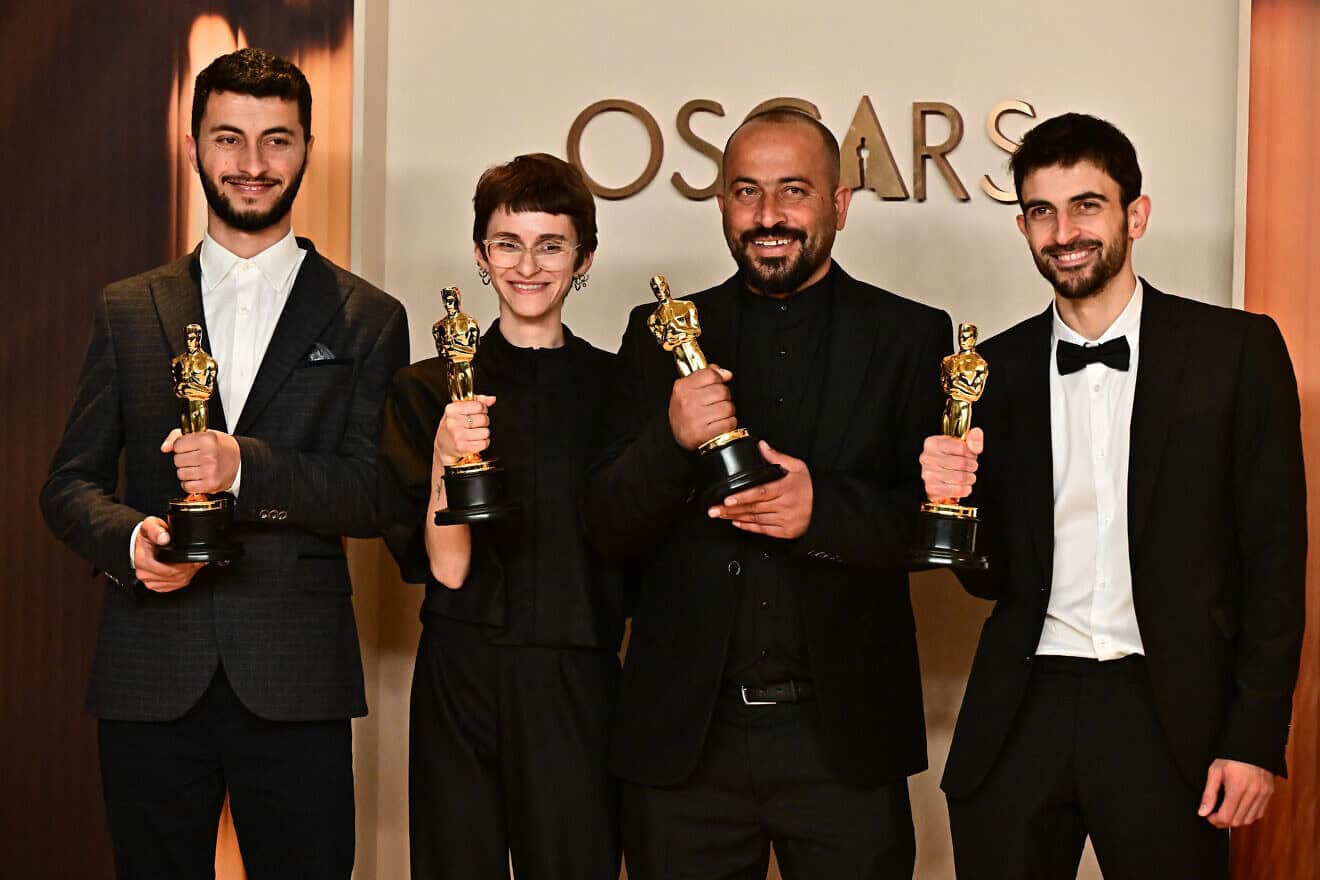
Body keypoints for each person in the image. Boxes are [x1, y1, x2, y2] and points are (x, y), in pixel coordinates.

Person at [40, 48, 409, 878]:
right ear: (194, 147)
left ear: (308, 148)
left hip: (297, 678)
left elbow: (375, 495)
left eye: (276, 140)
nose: (251, 164)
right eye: (229, 138)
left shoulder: (368, 317)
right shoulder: (128, 309)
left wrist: (247, 465)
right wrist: (134, 544)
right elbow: (68, 486)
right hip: (149, 672)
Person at [920, 112, 1306, 879]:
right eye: (1041, 211)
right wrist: (952, 506)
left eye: (1086, 205)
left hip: (1168, 717)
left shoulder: (1236, 352)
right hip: (1022, 711)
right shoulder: (988, 371)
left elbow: (1275, 559)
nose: (1063, 231)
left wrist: (1252, 739)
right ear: (1024, 226)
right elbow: (989, 577)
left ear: (1136, 214)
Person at [583, 108, 952, 879]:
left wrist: (824, 513)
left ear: (840, 205)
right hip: (685, 748)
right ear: (722, 203)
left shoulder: (911, 335)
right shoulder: (659, 332)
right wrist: (671, 439)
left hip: (843, 744)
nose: (769, 216)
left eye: (794, 191)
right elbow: (606, 526)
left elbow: (932, 524)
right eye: (746, 192)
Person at [377, 153, 623, 880]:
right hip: (462, 670)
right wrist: (449, 460)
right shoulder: (425, 390)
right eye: (509, 244)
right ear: (481, 255)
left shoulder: (617, 390)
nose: (528, 265)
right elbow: (449, 568)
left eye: (551, 245)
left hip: (578, 671)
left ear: (584, 258)